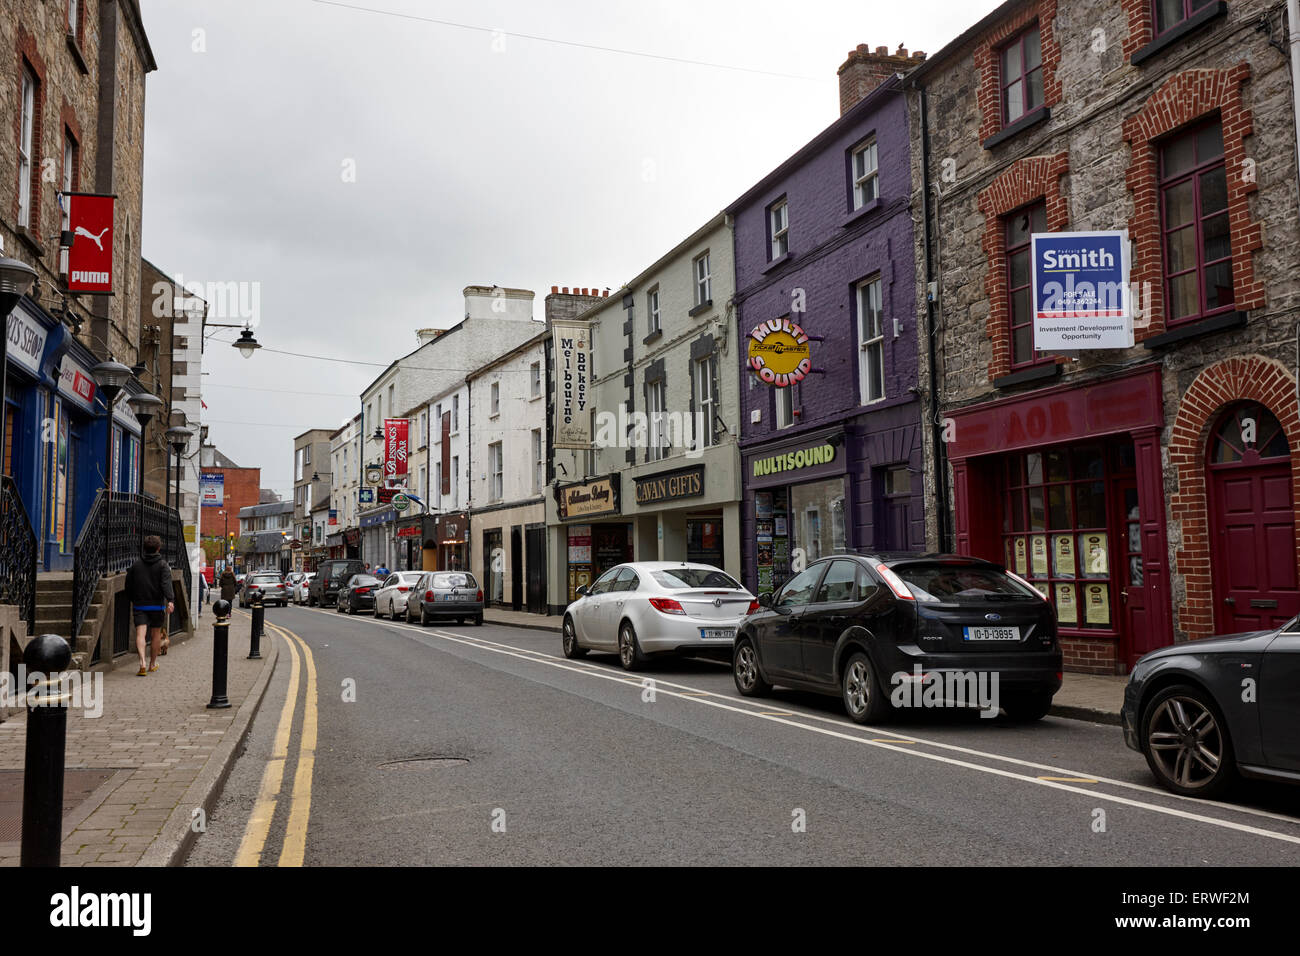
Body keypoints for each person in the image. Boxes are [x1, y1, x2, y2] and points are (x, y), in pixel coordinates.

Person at [126, 535, 174, 676]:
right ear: (158, 548)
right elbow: (166, 584)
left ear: (144, 548)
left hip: (140, 605)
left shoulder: (136, 565)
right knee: (155, 635)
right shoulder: (163, 565)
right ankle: (152, 664)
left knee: (140, 634)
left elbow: (128, 585)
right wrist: (170, 600)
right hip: (157, 606)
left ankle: (142, 662)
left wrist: (133, 598)